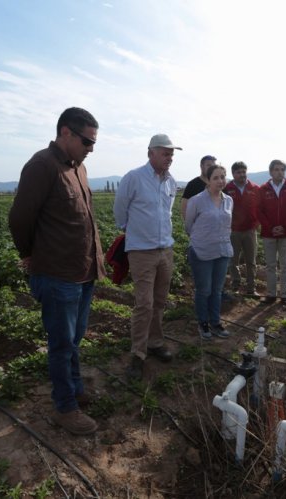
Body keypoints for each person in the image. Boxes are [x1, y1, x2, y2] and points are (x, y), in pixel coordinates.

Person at [8, 107, 106, 435]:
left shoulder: (79, 168)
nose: (90, 148)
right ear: (65, 133)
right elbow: (20, 218)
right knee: (61, 344)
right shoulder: (42, 166)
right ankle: (65, 407)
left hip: (83, 271)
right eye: (87, 141)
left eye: (93, 142)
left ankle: (75, 389)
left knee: (74, 340)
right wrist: (30, 255)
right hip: (58, 275)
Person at [114, 134, 181, 380]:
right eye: (165, 153)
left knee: (160, 301)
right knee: (144, 303)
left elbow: (167, 213)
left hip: (165, 250)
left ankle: (155, 342)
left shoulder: (170, 182)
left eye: (172, 154)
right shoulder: (134, 178)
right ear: (150, 153)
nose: (170, 158)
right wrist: (130, 230)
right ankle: (138, 354)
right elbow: (120, 209)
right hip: (142, 251)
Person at [185, 164, 234, 339]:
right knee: (204, 289)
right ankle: (203, 323)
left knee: (217, 290)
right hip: (202, 251)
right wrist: (203, 239)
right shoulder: (197, 200)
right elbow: (189, 225)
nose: (221, 181)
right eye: (216, 178)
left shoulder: (229, 200)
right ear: (207, 180)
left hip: (222, 250)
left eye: (223, 177)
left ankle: (215, 322)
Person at [256, 159, 286, 307]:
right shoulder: (263, 189)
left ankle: (284, 295)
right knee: (270, 265)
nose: (279, 172)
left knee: (285, 265)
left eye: (282, 169)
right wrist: (270, 227)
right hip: (269, 233)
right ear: (270, 172)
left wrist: (283, 226)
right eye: (276, 169)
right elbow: (259, 210)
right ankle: (271, 294)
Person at [224, 161, 260, 297]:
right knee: (233, 260)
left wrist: (257, 223)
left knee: (251, 261)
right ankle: (235, 285)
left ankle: (251, 287)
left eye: (243, 172)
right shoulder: (227, 189)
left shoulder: (254, 188)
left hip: (250, 230)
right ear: (233, 174)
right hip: (233, 231)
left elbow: (260, 208)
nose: (242, 175)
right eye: (238, 172)